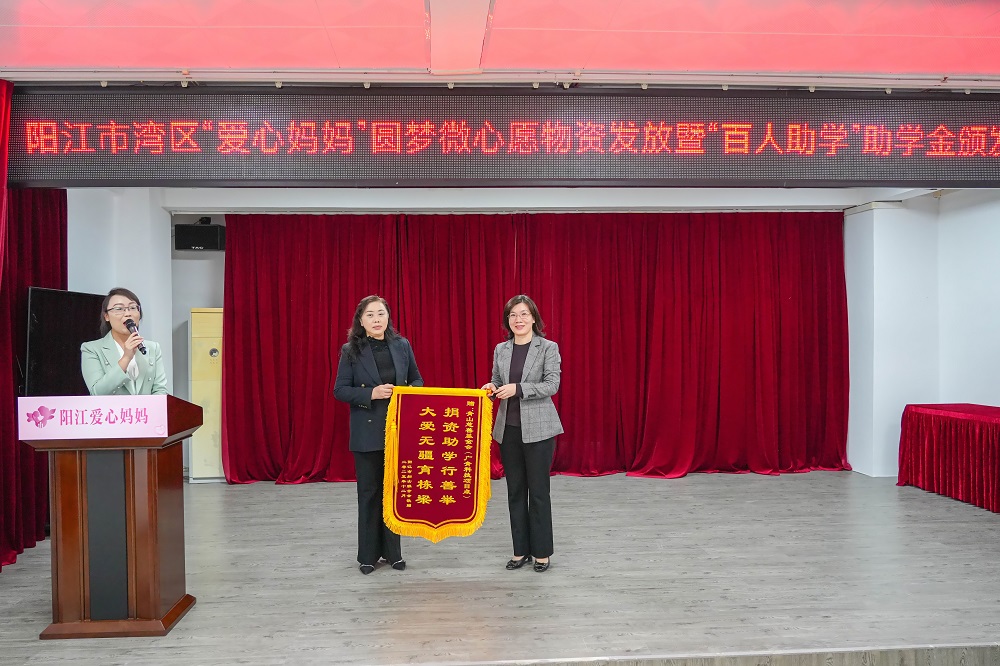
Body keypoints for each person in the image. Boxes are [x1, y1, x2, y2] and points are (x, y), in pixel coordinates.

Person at [334, 295, 423, 575]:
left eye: (381, 314)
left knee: (393, 495)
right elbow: (340, 390)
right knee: (369, 494)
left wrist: (408, 391)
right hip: (367, 432)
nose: (376, 319)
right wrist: (371, 393)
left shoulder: (402, 345)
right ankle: (367, 556)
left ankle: (393, 553)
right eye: (370, 315)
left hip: (398, 431)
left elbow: (417, 379)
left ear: (388, 317)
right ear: (361, 320)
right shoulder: (350, 350)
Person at [481, 295, 563, 573]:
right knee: (515, 492)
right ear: (507, 320)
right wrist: (491, 387)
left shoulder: (548, 347)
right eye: (513, 315)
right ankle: (520, 551)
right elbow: (497, 380)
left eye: (524, 314)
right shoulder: (501, 349)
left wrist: (518, 389)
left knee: (538, 492)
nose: (519, 319)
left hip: (540, 430)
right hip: (508, 430)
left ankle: (541, 553)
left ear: (534, 318)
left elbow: (552, 384)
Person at [81, 287, 167, 396]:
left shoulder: (153, 348)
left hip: (147, 408)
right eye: (119, 309)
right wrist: (126, 358)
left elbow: (160, 391)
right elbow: (97, 392)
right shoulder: (91, 349)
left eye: (133, 307)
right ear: (106, 316)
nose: (127, 313)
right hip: (112, 408)